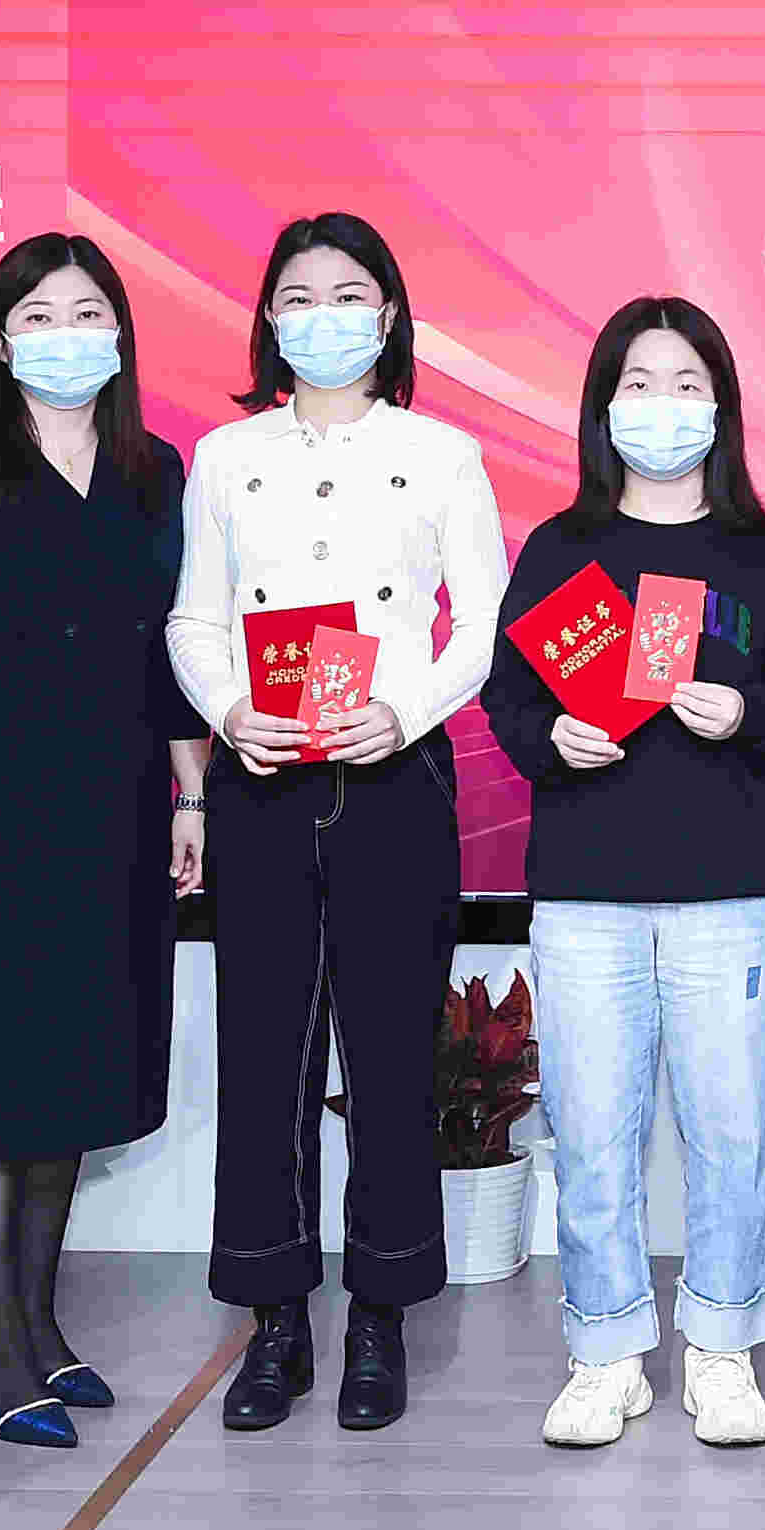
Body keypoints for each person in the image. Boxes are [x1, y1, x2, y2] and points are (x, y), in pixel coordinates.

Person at [0, 230, 209, 1451]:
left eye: (89, 314)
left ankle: (42, 1325)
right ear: (2, 342)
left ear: (120, 334)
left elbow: (175, 648)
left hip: (113, 808)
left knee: (71, 1072)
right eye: (42, 317)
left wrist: (191, 797)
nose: (70, 336)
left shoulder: (154, 473)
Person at [166, 212, 507, 1436]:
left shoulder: (442, 453)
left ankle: (380, 1317)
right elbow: (193, 618)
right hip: (263, 776)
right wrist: (229, 709)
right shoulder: (224, 456)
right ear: (269, 319)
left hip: (392, 776)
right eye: (300, 298)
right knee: (265, 1054)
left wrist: (403, 711)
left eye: (350, 295)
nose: (325, 318)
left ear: (390, 315)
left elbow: (482, 621)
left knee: (391, 1055)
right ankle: (274, 1321)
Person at [480, 299, 765, 1451]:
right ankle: (605, 1353)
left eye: (687, 384)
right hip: (585, 889)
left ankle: (722, 1349)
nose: (663, 406)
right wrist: (553, 737)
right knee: (591, 1134)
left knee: (730, 1134)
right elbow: (508, 696)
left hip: (727, 890)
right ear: (603, 405)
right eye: (639, 383)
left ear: (721, 406)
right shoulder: (561, 547)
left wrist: (745, 712)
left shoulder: (762, 551)